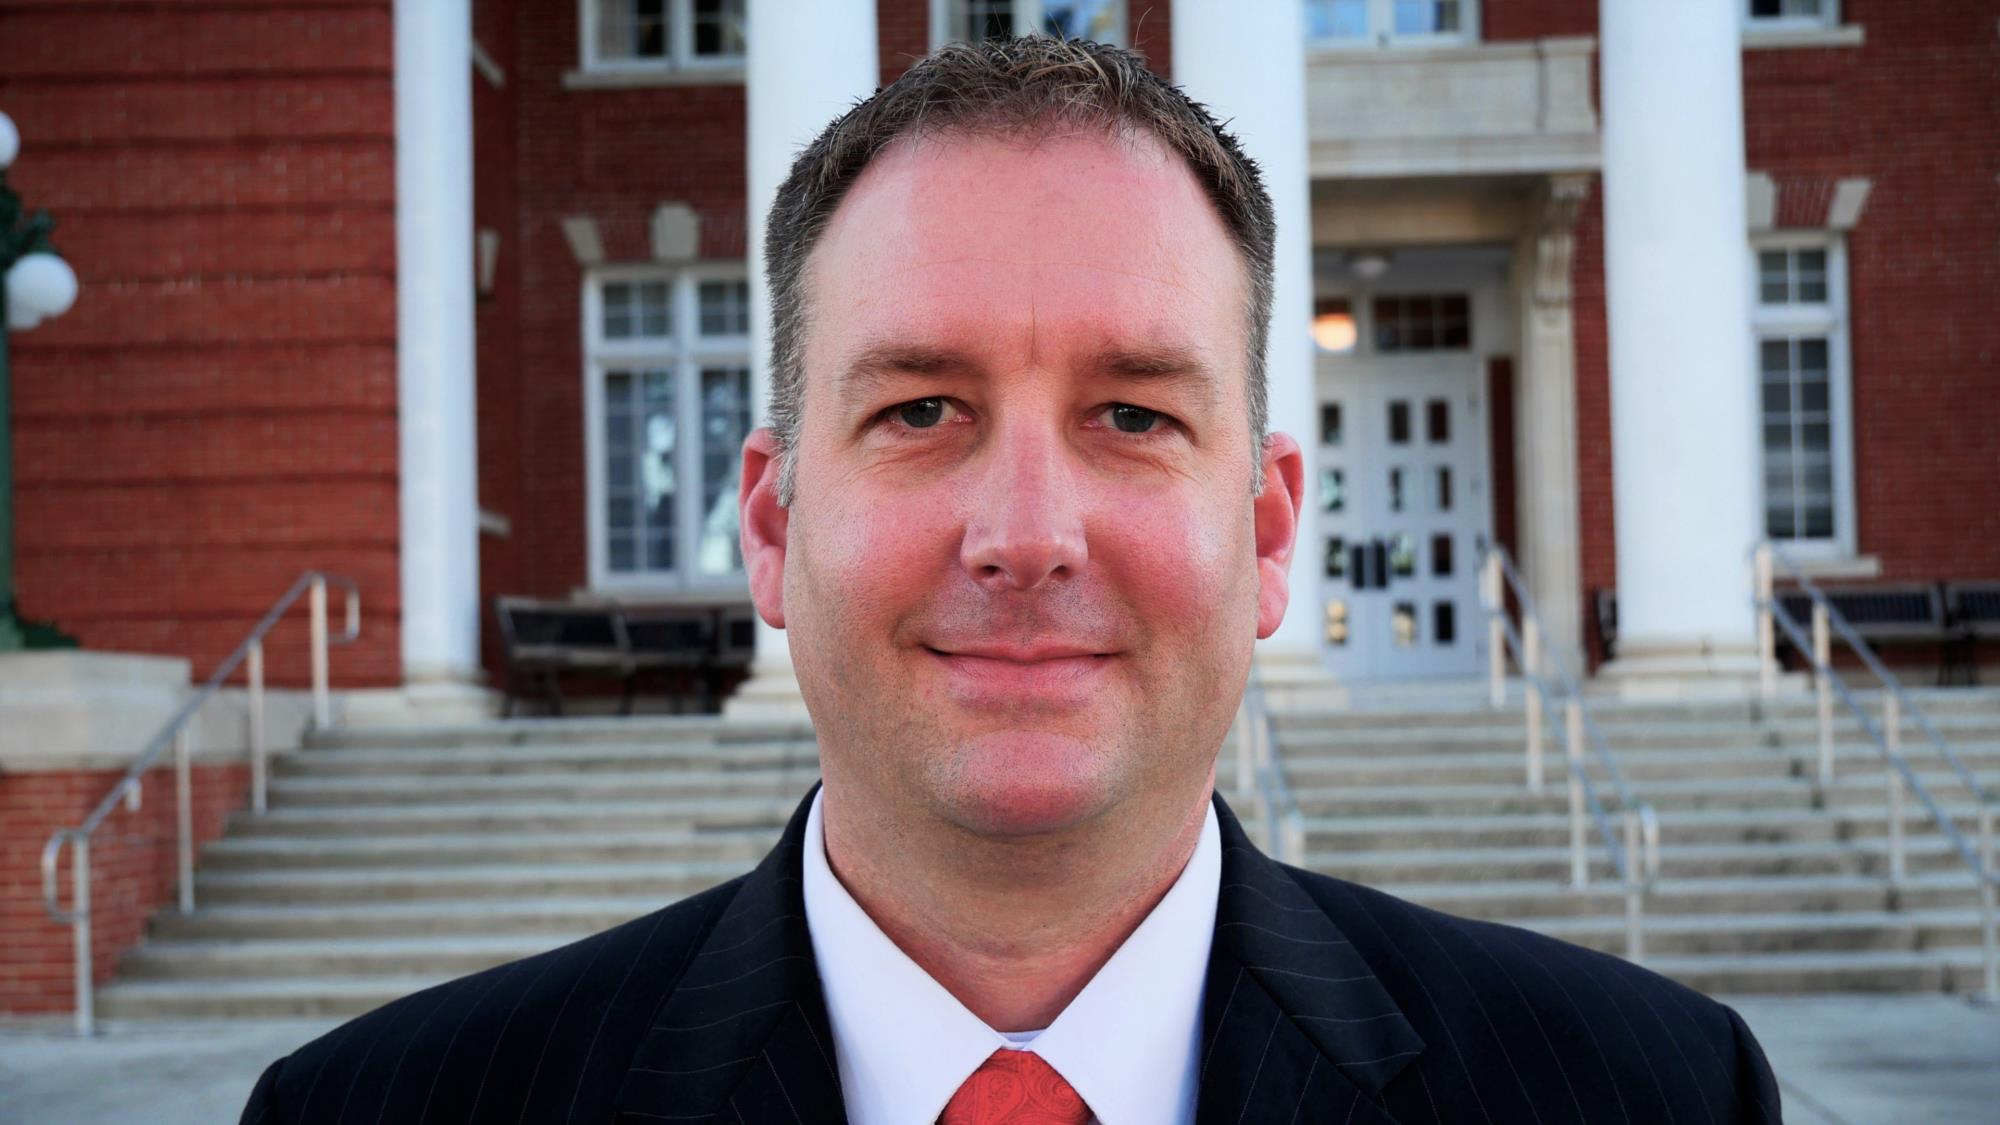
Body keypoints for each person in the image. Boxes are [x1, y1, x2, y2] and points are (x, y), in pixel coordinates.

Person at [241, 37, 1779, 1124]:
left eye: (1133, 413)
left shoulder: (1653, 1093)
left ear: (1263, 532)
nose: (1027, 532)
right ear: (770, 525)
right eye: (920, 410)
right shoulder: (380, 1108)